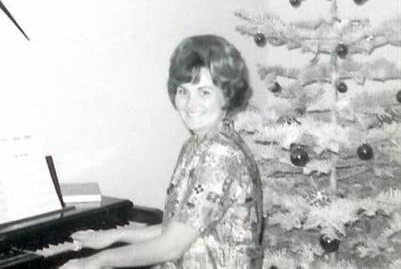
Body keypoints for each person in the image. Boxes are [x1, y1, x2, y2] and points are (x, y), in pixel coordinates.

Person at [60, 35, 263, 269]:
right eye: (183, 91)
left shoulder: (220, 155)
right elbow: (177, 228)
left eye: (204, 92)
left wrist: (97, 260)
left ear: (226, 95)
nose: (191, 104)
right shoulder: (196, 146)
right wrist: (114, 235)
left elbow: (172, 246)